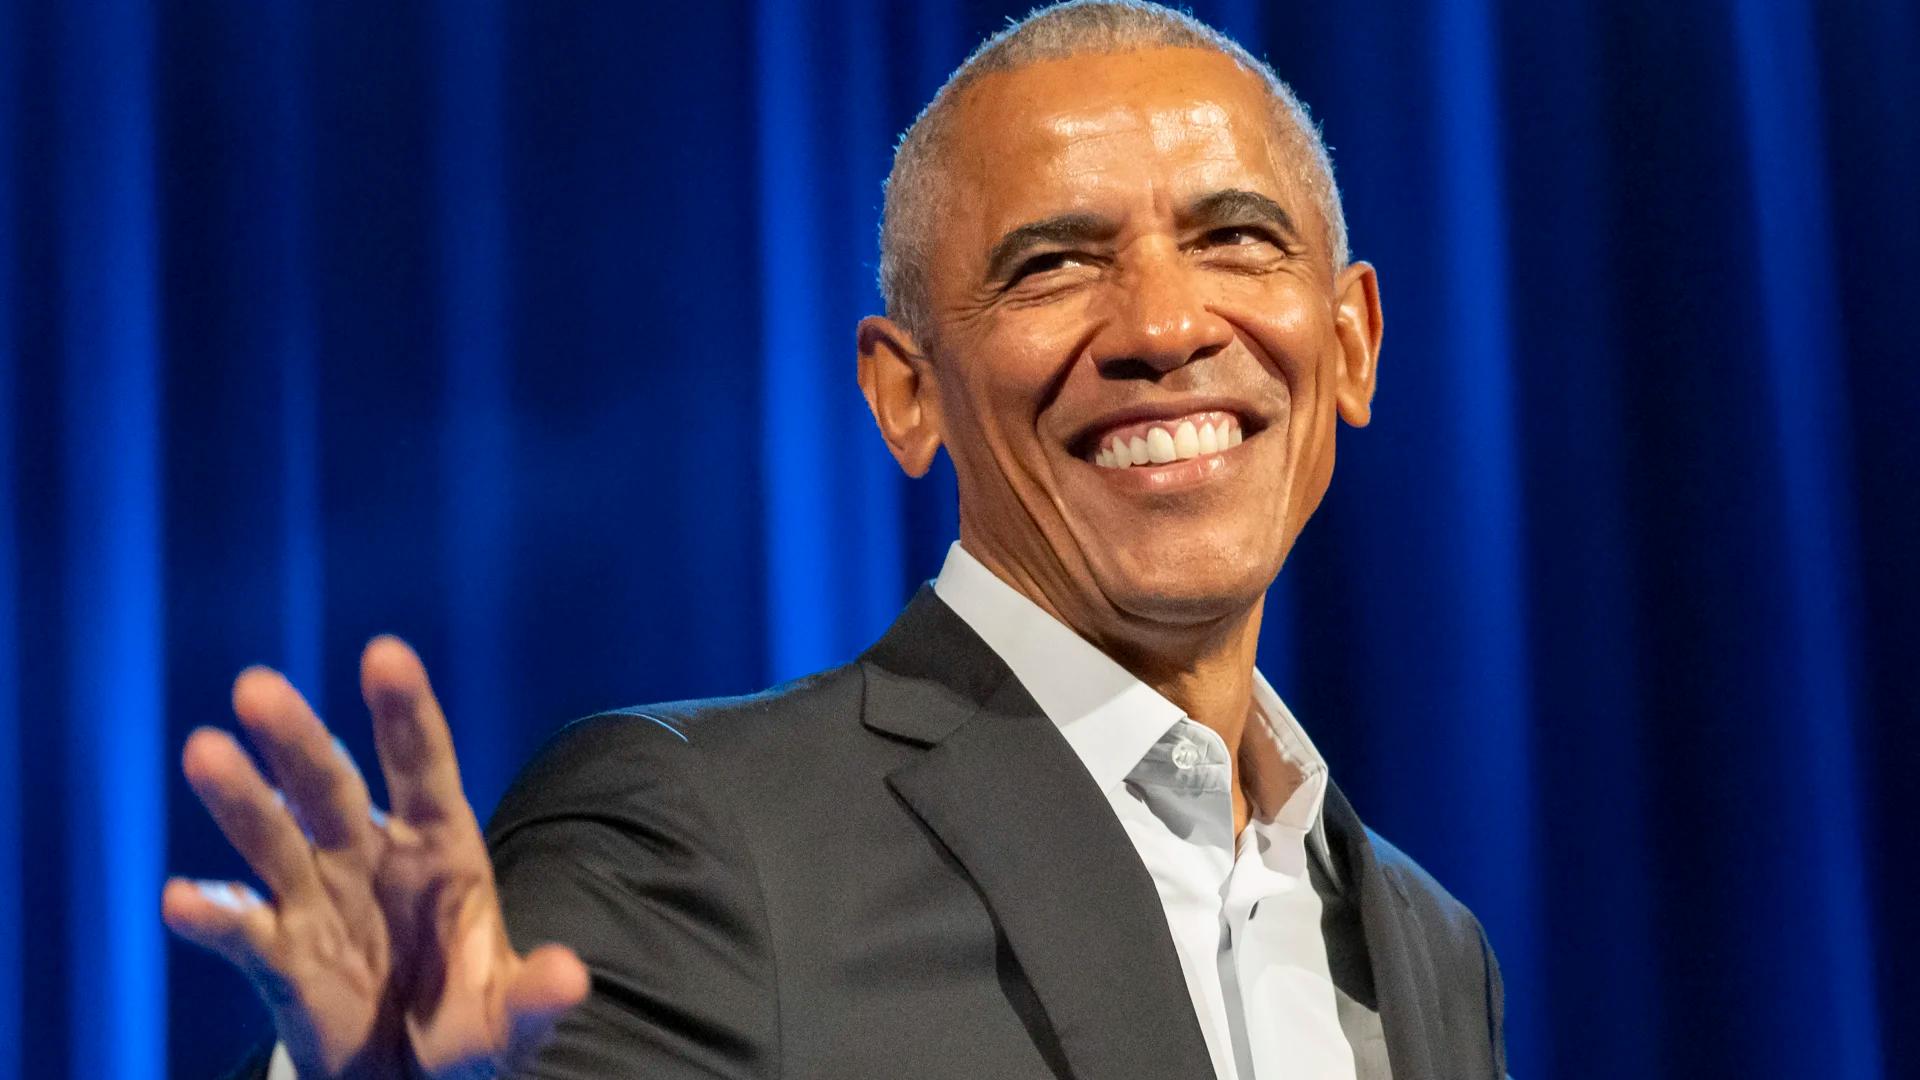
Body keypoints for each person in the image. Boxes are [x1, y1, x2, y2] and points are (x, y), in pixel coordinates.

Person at [165, 2, 1509, 1077]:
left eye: (1236, 240)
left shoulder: (1428, 945)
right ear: (905, 392)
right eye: (1053, 264)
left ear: (1349, 347)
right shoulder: (696, 836)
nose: (1162, 327)